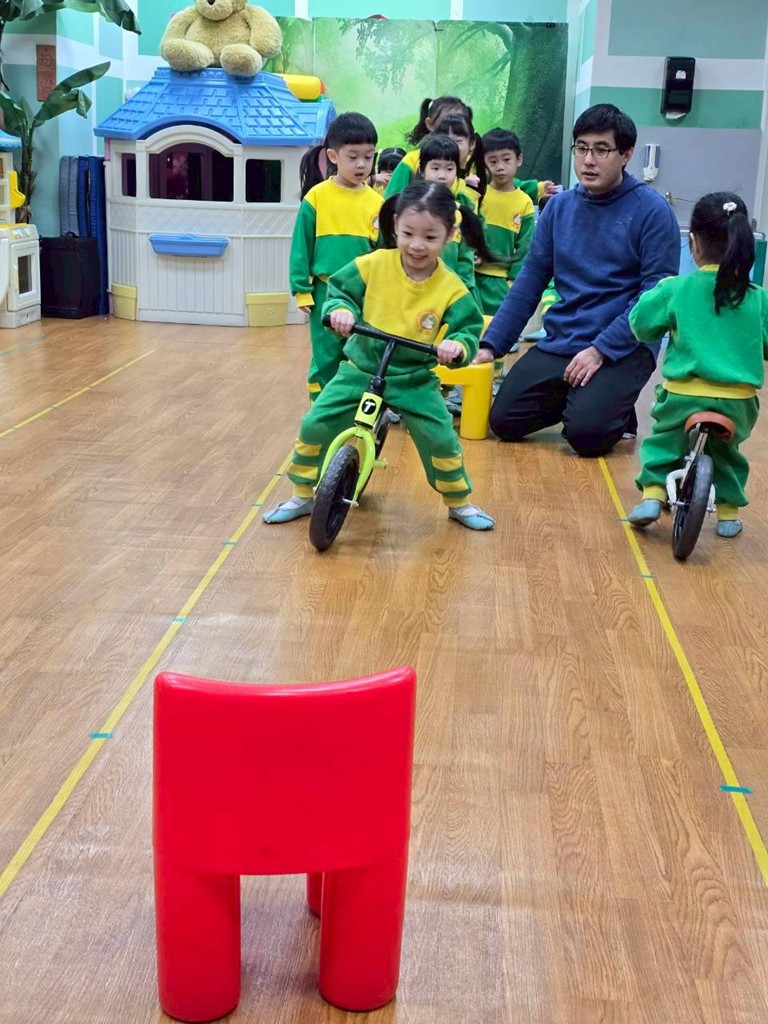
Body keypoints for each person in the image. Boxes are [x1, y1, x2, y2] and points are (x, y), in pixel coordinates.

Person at [264, 182, 494, 531]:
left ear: (450, 235)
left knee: (441, 438)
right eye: (408, 234)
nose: (417, 245)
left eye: (430, 237)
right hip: (361, 366)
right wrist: (341, 310)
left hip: (413, 376)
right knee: (315, 423)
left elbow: (468, 329)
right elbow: (340, 291)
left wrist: (458, 347)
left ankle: (459, 501)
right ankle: (302, 494)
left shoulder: (452, 287)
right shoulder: (373, 264)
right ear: (395, 226)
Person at [476, 103, 681, 457]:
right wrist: (491, 345)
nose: (588, 160)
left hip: (624, 347)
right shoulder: (559, 208)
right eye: (581, 148)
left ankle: (609, 404)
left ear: (626, 154)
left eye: (601, 150)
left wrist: (601, 349)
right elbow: (530, 280)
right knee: (504, 421)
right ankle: (591, 396)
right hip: (565, 339)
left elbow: (655, 297)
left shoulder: (652, 211)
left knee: (586, 436)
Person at [627, 192, 768, 538]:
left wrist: (656, 294)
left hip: (683, 396)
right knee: (728, 453)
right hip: (738, 403)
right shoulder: (758, 297)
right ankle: (729, 514)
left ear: (693, 242)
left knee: (664, 440)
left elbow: (640, 326)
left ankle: (653, 495)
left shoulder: (676, 288)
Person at [290, 112, 382, 402]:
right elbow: (300, 247)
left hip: (363, 295)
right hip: (325, 291)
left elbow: (383, 254)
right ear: (333, 155)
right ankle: (321, 410)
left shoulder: (378, 202)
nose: (361, 164)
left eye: (368, 156)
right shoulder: (316, 197)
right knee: (326, 355)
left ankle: (354, 408)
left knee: (361, 355)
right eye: (353, 156)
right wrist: (301, 290)